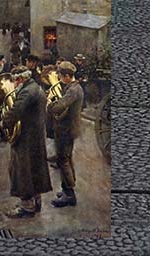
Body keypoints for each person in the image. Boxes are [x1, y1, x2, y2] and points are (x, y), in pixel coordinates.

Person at [2, 66, 51, 218]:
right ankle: (36, 201)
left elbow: (16, 111)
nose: (14, 84)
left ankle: (26, 206)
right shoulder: (36, 87)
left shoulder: (26, 92)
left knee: (22, 170)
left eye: (15, 81)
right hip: (36, 136)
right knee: (36, 168)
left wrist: (4, 120)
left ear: (21, 79)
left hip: (26, 137)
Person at [47, 61, 84, 208]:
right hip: (66, 129)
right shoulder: (71, 87)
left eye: (61, 76)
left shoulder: (73, 90)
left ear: (68, 76)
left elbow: (59, 107)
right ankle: (66, 189)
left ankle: (69, 195)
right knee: (66, 158)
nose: (59, 79)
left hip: (66, 130)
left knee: (63, 160)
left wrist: (50, 103)